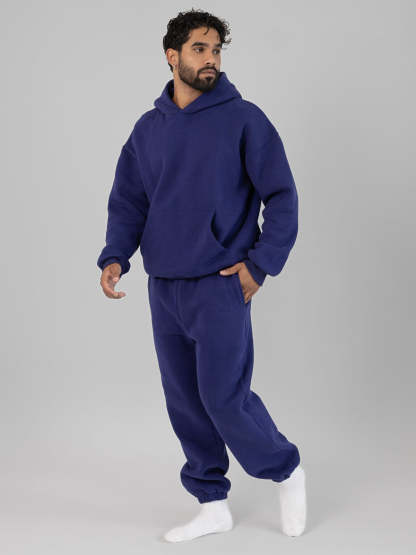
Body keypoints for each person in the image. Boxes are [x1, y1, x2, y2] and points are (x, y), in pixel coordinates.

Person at [97, 8, 307, 543]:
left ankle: (285, 470)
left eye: (216, 50)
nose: (211, 59)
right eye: (199, 49)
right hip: (164, 287)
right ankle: (212, 503)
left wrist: (259, 265)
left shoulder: (245, 120)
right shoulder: (148, 130)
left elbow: (282, 197)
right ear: (172, 56)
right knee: (185, 402)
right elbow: (129, 201)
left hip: (220, 284)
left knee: (224, 397)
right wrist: (115, 256)